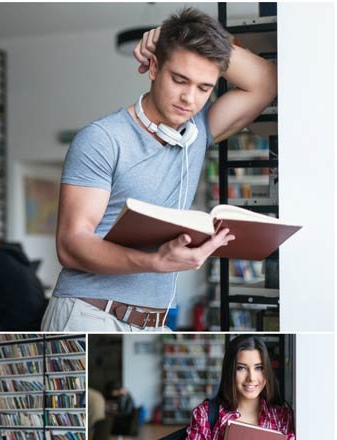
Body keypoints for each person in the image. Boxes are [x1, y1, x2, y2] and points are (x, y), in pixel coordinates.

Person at [41, 10, 276, 333]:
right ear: (153, 67)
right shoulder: (102, 138)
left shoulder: (199, 130)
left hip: (155, 323)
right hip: (90, 313)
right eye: (179, 79)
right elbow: (71, 244)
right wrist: (155, 262)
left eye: (204, 87)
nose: (188, 98)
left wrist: (181, 34)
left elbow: (266, 81)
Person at [175, 336, 306, 440]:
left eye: (259, 367)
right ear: (230, 371)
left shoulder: (281, 417)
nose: (251, 377)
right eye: (241, 368)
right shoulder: (206, 414)